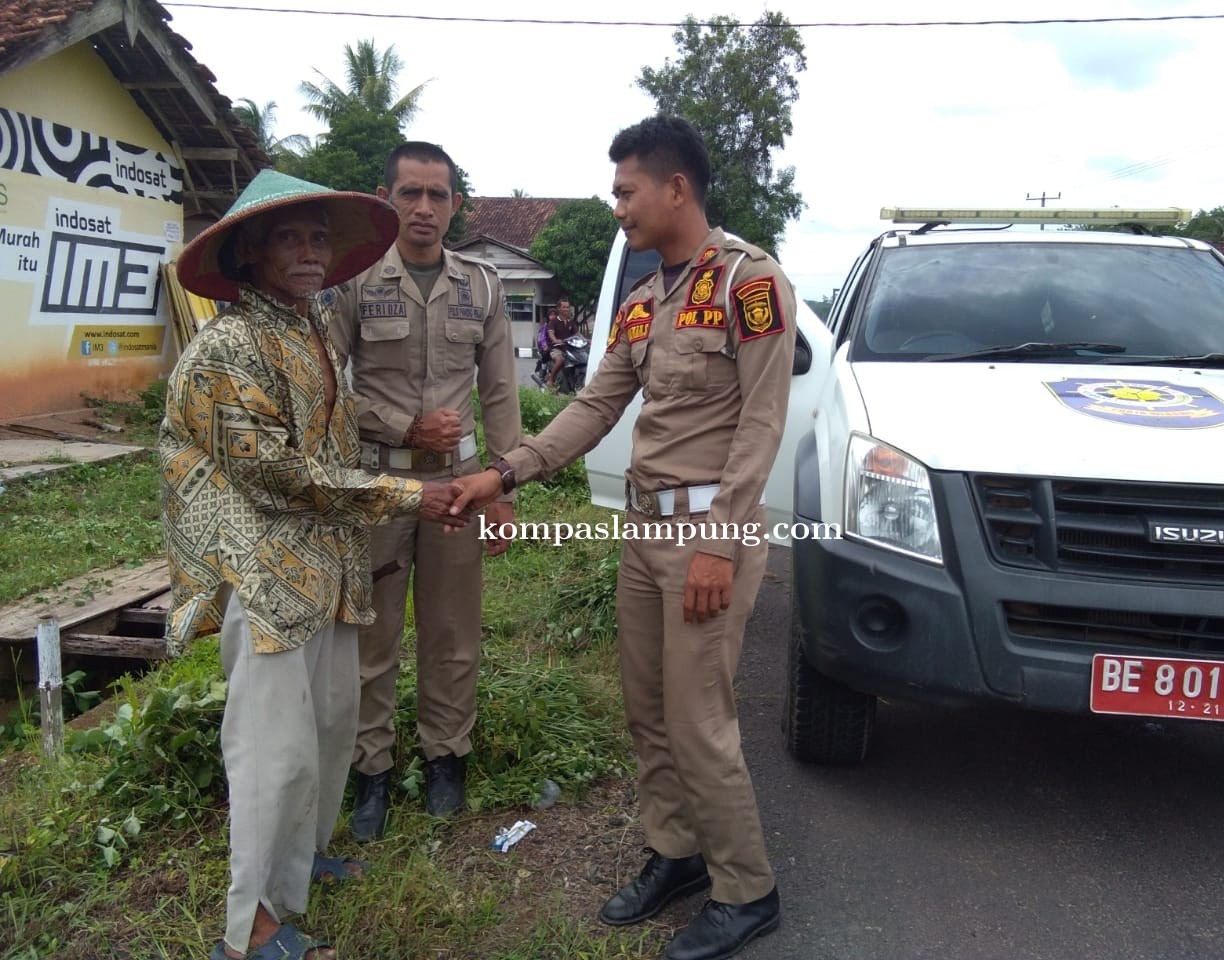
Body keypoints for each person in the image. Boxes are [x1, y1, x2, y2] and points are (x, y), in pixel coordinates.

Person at [451, 115, 796, 960]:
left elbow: (761, 422)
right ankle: (676, 854)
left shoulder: (750, 284)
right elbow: (595, 406)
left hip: (705, 540)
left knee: (699, 718)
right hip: (643, 537)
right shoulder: (646, 303)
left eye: (625, 191)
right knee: (648, 712)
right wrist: (507, 473)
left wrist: (719, 540)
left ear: (676, 187)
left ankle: (746, 889)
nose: (617, 208)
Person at [161, 169, 470, 960]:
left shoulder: (311, 330)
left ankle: (296, 869)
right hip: (266, 578)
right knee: (271, 751)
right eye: (290, 237)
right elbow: (274, 471)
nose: (309, 252)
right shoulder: (228, 345)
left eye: (318, 237)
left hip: (329, 566)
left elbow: (338, 438)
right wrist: (408, 494)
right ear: (250, 250)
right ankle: (250, 928)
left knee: (329, 729)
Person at [329, 141, 521, 838]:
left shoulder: (482, 284)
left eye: (438, 195)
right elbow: (325, 390)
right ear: (387, 199)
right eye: (410, 193)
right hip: (378, 483)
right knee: (369, 635)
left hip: (460, 487)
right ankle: (371, 769)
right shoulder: (352, 281)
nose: (424, 208)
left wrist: (504, 487)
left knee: (451, 632)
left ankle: (447, 757)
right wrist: (404, 425)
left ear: (455, 205)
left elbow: (501, 393)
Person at [544, 294, 578, 391]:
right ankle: (550, 380)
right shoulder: (553, 322)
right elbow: (551, 333)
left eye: (567, 307)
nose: (566, 309)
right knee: (560, 360)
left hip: (568, 349)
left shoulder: (570, 322)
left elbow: (578, 334)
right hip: (556, 348)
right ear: (559, 308)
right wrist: (555, 340)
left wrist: (587, 341)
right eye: (564, 307)